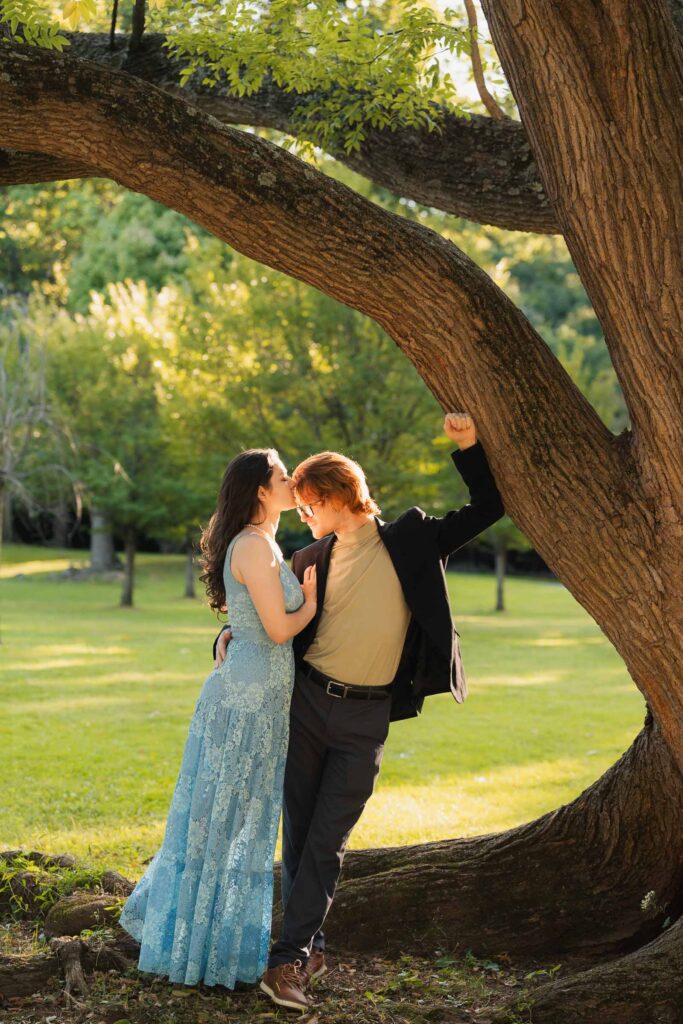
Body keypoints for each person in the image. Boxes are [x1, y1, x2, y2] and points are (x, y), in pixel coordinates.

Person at [214, 413, 505, 1011]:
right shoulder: (310, 556)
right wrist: (222, 641)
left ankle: (286, 960)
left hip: (366, 719)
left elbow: (487, 507)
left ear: (334, 496)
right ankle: (304, 949)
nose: (301, 516)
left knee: (327, 843)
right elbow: (267, 621)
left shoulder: (411, 538)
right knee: (299, 840)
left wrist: (469, 446)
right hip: (307, 705)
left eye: (307, 505)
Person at [119, 449, 317, 990]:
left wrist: (236, 630)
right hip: (245, 702)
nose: (291, 482)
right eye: (282, 477)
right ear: (259, 489)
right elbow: (279, 630)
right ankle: (191, 947)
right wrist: (313, 603)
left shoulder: (268, 543)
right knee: (221, 821)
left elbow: (251, 621)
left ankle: (214, 948)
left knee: (242, 823)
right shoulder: (253, 545)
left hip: (265, 701)